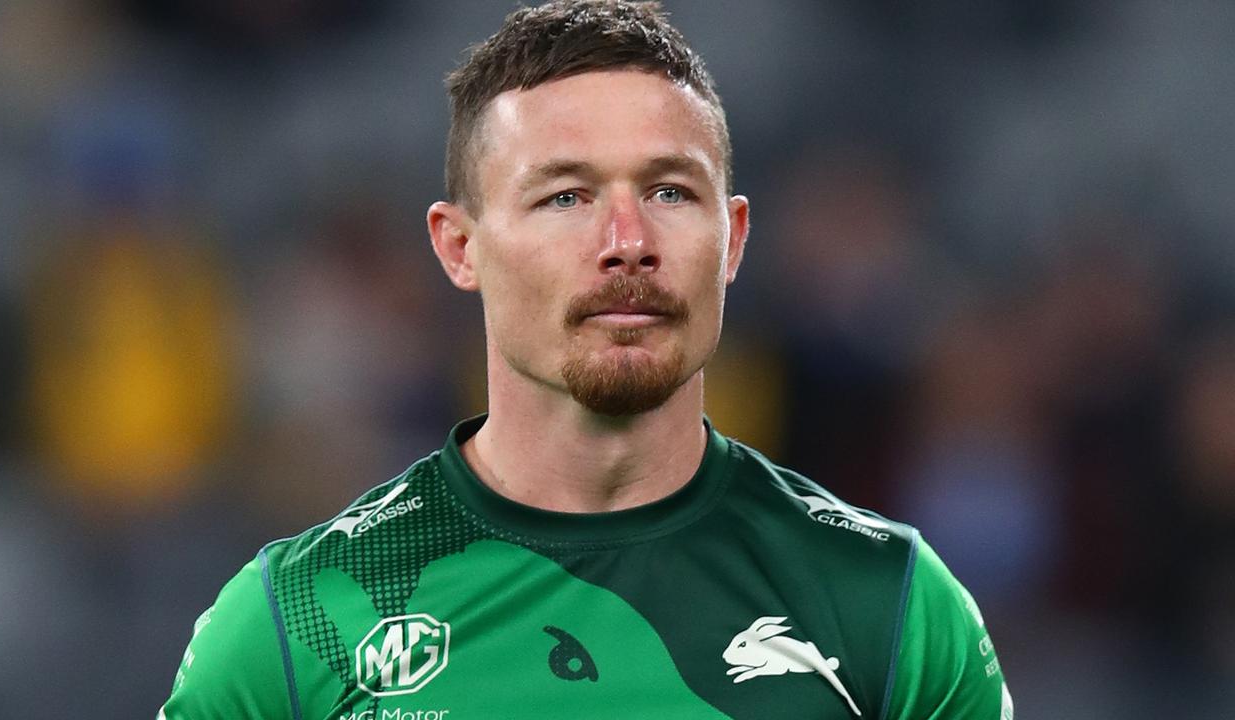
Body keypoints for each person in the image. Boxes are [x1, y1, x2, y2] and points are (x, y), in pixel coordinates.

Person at [159, 1, 1012, 718]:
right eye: (565, 196)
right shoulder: (295, 620)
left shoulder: (887, 603)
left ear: (733, 242)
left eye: (670, 192)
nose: (627, 243)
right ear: (460, 249)